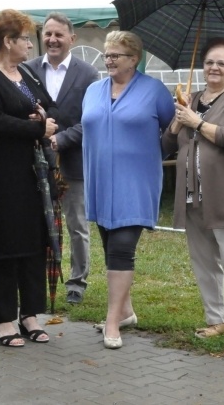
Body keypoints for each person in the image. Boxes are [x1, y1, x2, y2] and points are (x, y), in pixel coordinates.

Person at [0, 9, 60, 347]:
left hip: (34, 174)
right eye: (24, 39)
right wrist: (37, 125)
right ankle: (3, 319)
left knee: (34, 244)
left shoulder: (26, 74)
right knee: (5, 245)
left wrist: (45, 120)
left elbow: (49, 105)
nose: (30, 46)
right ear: (7, 41)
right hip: (3, 175)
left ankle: (30, 314)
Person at [161, 38, 224, 347]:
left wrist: (197, 121)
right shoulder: (189, 98)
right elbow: (166, 145)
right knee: (203, 261)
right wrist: (179, 122)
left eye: (222, 63)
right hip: (192, 195)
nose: (214, 68)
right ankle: (215, 319)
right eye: (209, 62)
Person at [82, 30, 174, 349]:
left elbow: (171, 133)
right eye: (106, 54)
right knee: (110, 248)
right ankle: (126, 312)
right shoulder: (93, 90)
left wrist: (158, 146)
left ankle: (111, 322)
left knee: (122, 248)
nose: (108, 60)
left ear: (134, 59)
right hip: (99, 181)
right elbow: (88, 129)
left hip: (136, 182)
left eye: (115, 55)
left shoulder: (154, 90)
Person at [25, 13, 99, 306]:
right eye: (47, 34)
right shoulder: (26, 70)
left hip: (74, 162)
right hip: (34, 161)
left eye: (58, 34)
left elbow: (91, 120)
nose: (52, 40)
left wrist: (60, 139)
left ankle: (77, 282)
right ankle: (38, 278)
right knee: (35, 223)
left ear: (72, 39)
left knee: (77, 224)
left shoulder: (88, 74)